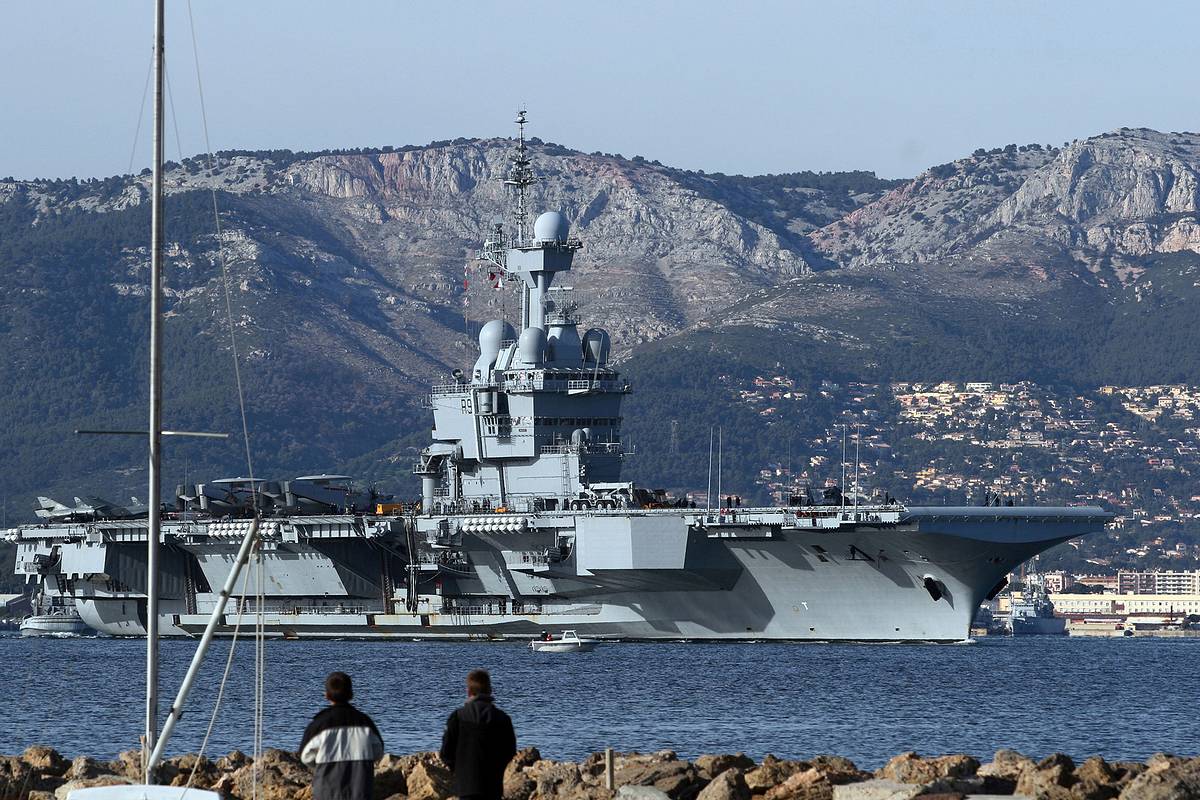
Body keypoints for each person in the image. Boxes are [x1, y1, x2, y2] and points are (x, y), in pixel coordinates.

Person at [300, 672, 384, 800]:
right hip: (360, 791)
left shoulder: (319, 724)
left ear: (326, 695)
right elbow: (378, 751)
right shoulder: (365, 722)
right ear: (351, 695)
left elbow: (305, 756)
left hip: (326, 792)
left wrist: (320, 766)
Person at [439, 669, 517, 800]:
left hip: (466, 787)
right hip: (493, 787)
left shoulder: (457, 717)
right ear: (490, 690)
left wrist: (458, 770)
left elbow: (446, 752)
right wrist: (497, 769)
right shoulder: (503, 718)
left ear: (468, 691)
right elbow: (509, 751)